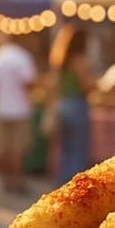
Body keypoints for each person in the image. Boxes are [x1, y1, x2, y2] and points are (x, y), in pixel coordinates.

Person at [0, 34, 37, 193]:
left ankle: (5, 180)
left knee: (3, 147)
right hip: (19, 108)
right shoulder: (22, 57)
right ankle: (17, 181)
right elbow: (29, 82)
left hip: (0, 108)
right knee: (17, 148)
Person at [49, 25, 94, 184]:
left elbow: (55, 87)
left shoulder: (61, 61)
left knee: (66, 150)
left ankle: (63, 184)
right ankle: (76, 186)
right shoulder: (79, 61)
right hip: (77, 106)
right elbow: (86, 86)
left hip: (64, 105)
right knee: (78, 150)